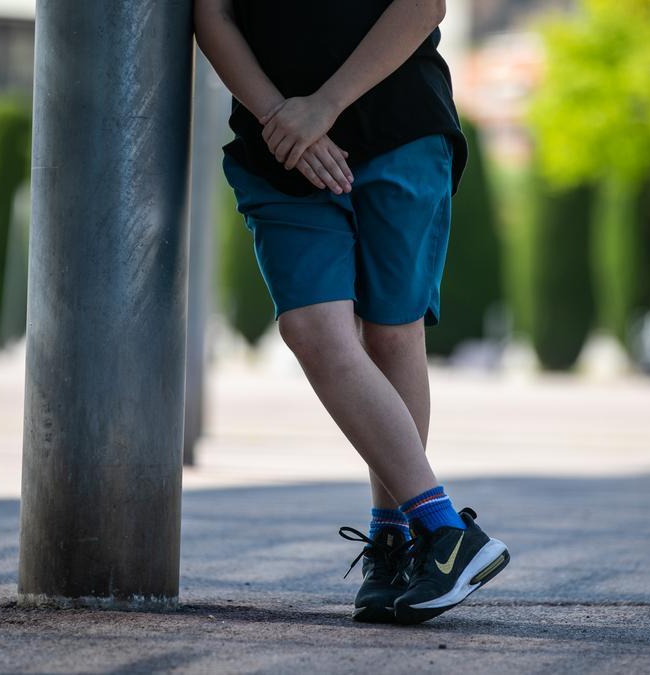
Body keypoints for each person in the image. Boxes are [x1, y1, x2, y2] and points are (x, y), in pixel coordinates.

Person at [195, 0, 509, 625]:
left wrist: (322, 106)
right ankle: (447, 532)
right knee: (310, 328)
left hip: (399, 126)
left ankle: (395, 541)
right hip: (278, 148)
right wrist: (281, 117)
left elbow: (423, 5)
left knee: (393, 335)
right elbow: (213, 13)